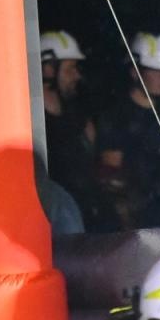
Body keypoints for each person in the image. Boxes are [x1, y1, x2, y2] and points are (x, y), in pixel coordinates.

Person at [96, 32, 160, 235]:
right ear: (135, 72)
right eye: (156, 71)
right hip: (138, 223)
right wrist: (128, 230)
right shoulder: (117, 117)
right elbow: (111, 179)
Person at [40, 30, 100, 232]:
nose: (77, 75)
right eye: (70, 69)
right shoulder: (30, 119)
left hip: (86, 212)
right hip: (57, 220)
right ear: (48, 69)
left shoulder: (77, 114)